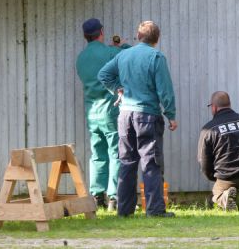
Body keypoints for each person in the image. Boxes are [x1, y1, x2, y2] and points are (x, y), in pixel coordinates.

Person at [98, 21, 177, 217]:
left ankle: (124, 211)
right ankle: (155, 210)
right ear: (156, 39)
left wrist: (118, 89)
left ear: (138, 36)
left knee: (127, 162)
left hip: (125, 115)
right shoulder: (156, 57)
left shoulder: (123, 55)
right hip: (147, 115)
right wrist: (171, 114)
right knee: (151, 163)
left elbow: (104, 74)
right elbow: (164, 90)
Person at [75, 18, 129, 211]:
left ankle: (97, 195)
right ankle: (113, 197)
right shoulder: (109, 52)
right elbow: (128, 53)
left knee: (97, 154)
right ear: (101, 32)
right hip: (109, 110)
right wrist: (121, 44)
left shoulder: (80, 58)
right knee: (115, 152)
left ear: (85, 35)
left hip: (91, 112)